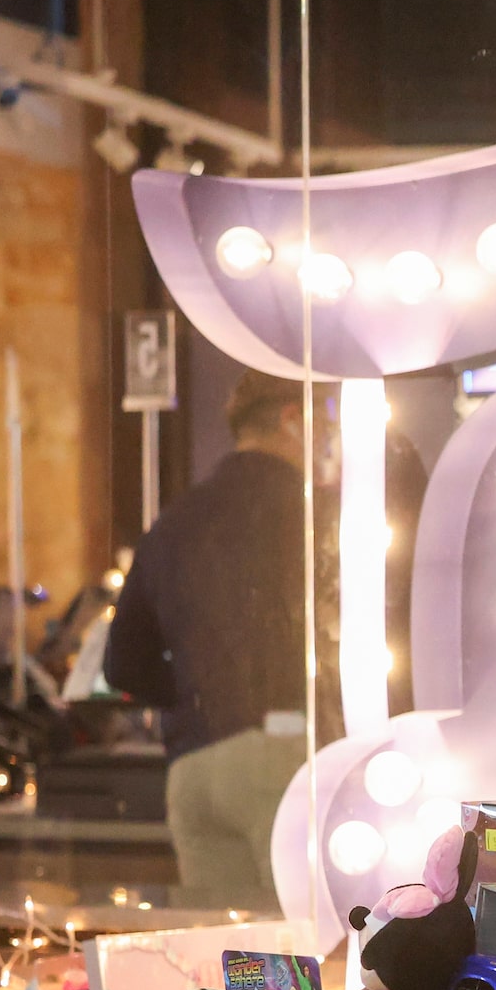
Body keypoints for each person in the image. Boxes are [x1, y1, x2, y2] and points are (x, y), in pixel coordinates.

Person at [105, 370, 337, 909]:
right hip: (282, 755)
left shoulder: (173, 521)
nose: (328, 445)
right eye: (324, 427)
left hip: (191, 769)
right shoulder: (309, 514)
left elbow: (122, 664)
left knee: (220, 952)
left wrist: (195, 696)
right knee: (301, 942)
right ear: (292, 421)